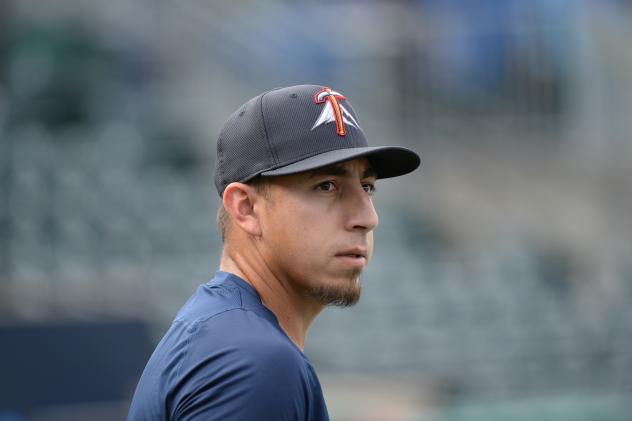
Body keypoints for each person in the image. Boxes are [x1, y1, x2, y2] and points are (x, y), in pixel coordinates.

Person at [127, 85, 420, 420]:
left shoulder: (223, 333)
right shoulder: (252, 361)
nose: (368, 218)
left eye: (367, 187)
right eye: (326, 186)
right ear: (247, 208)